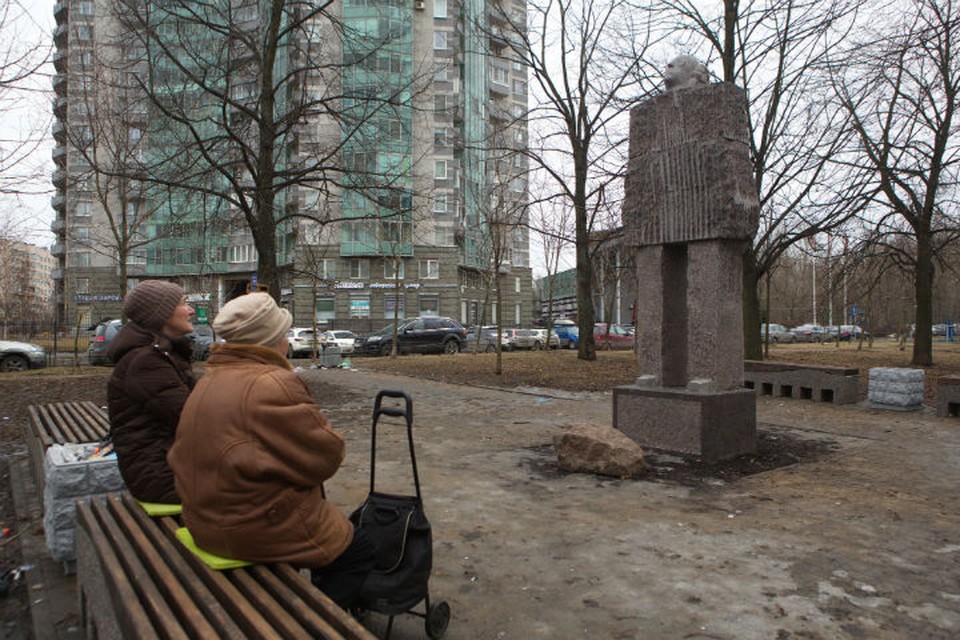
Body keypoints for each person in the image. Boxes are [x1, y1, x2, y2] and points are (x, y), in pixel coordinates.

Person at [168, 293, 375, 610]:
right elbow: (326, 458)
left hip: (205, 519)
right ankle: (317, 623)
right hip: (250, 529)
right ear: (271, 340)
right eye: (283, 333)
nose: (287, 340)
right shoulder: (273, 383)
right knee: (358, 547)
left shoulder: (210, 379)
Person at [107, 280, 196, 504]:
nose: (191, 310)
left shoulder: (161, 354)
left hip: (165, 466)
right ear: (162, 314)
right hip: (162, 476)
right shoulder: (146, 361)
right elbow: (192, 419)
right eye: (183, 303)